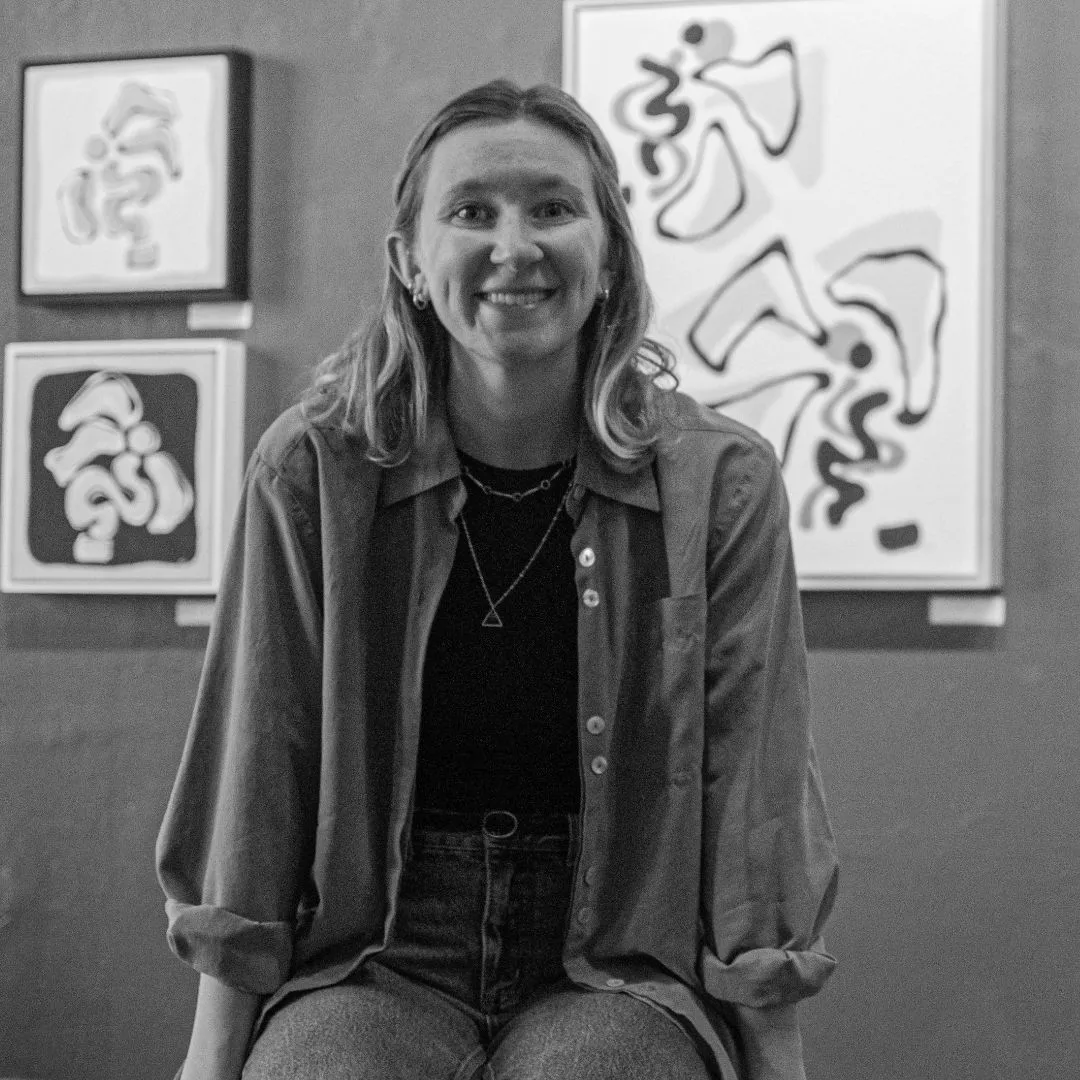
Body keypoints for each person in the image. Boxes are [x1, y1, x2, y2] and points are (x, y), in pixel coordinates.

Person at [156, 79, 838, 1080]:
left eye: (553, 209)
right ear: (410, 261)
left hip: (613, 954)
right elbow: (261, 754)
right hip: (377, 951)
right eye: (472, 211)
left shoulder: (718, 484)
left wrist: (776, 1058)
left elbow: (755, 786)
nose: (514, 246)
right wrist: (213, 1055)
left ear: (607, 255)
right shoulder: (314, 468)